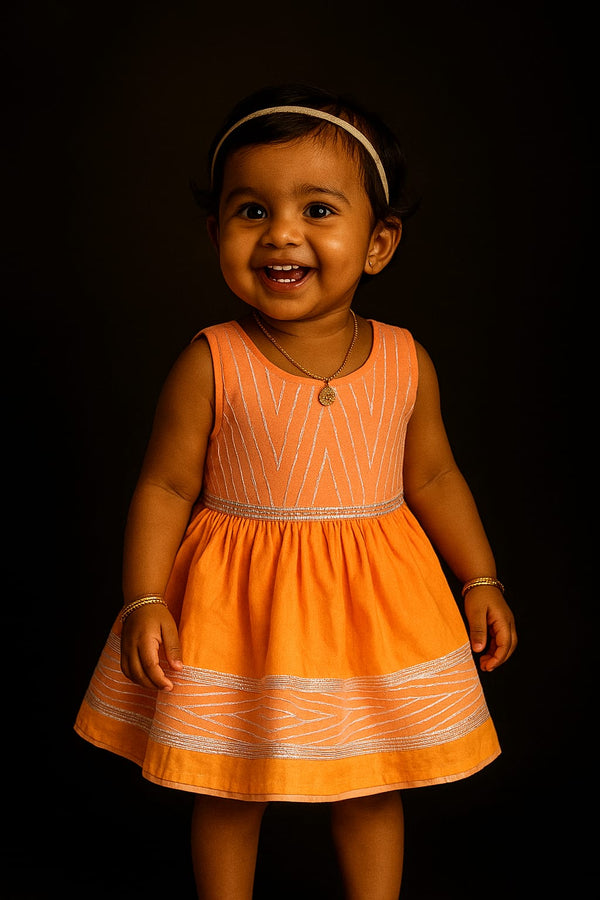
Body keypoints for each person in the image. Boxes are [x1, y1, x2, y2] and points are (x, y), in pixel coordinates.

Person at [75, 83, 517, 899]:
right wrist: (143, 598)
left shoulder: (404, 360)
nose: (282, 233)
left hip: (371, 608)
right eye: (251, 212)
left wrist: (479, 578)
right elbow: (166, 485)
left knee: (372, 779)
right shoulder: (211, 360)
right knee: (227, 782)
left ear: (379, 242)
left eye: (318, 210)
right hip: (237, 605)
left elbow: (433, 475)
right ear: (216, 232)